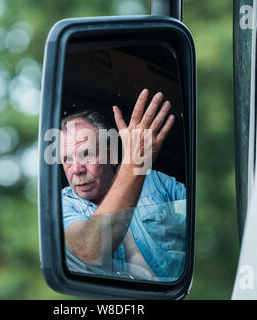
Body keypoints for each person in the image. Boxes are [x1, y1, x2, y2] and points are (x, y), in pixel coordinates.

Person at [60, 89, 186, 282]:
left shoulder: (156, 182)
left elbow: (205, 218)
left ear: (111, 154)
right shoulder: (62, 204)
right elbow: (89, 251)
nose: (76, 169)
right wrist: (135, 164)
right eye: (67, 159)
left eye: (86, 154)